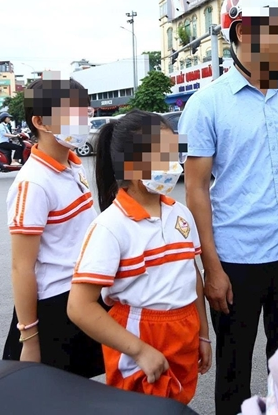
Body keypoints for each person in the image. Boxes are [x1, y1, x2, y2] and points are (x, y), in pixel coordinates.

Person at [180, 0, 278, 414]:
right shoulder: (206, 104)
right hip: (236, 261)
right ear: (244, 31)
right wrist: (212, 269)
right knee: (233, 372)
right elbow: (196, 190)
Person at [68, 111, 211, 404]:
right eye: (163, 156)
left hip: (185, 331)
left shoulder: (180, 214)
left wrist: (203, 333)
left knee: (178, 405)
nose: (173, 166)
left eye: (175, 155)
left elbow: (191, 275)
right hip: (140, 334)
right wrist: (139, 350)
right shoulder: (110, 227)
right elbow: (80, 307)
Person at [2, 73, 104, 377]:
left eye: (83, 110)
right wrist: (30, 339)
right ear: (40, 122)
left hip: (85, 295)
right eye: (70, 113)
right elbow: (22, 267)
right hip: (55, 308)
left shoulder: (72, 163)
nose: (82, 119)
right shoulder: (32, 183)